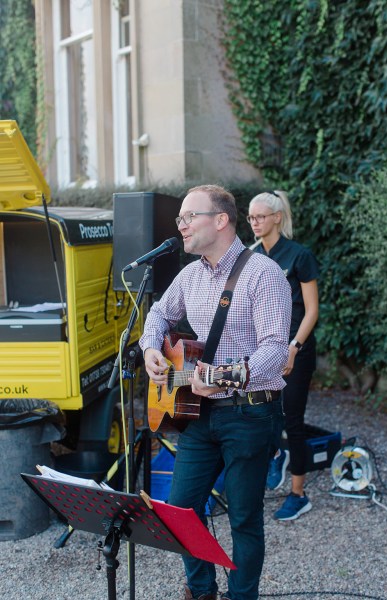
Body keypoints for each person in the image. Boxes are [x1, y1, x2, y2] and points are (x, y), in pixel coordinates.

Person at [139, 184, 292, 600]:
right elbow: (157, 313)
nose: (182, 225)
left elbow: (276, 348)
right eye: (180, 219)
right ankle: (201, 590)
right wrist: (152, 347)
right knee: (179, 509)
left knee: (243, 518)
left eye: (190, 217)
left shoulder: (264, 274)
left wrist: (229, 375)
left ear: (220, 220)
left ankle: (241, 596)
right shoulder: (189, 275)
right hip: (197, 415)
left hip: (249, 414)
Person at [247, 190, 319, 521]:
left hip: (295, 350)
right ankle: (277, 455)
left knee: (293, 419)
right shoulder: (249, 257)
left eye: (260, 216)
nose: (254, 222)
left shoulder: (299, 255)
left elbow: (311, 310)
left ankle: (298, 494)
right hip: (263, 350)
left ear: (277, 217)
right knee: (260, 414)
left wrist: (294, 347)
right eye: (250, 217)